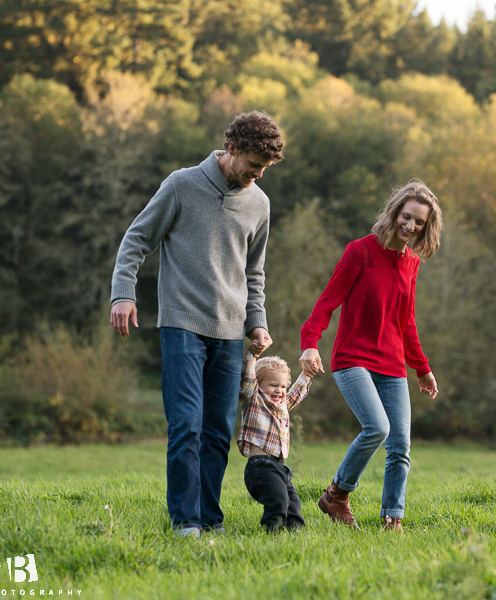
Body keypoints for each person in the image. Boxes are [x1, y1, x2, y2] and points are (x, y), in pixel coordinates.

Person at [109, 111, 284, 538]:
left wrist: (256, 323)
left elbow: (254, 272)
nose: (258, 174)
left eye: (265, 168)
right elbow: (137, 239)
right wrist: (123, 293)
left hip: (229, 329)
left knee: (217, 430)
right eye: (253, 164)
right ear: (232, 148)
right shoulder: (181, 184)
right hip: (182, 322)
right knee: (186, 423)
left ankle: (209, 518)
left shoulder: (259, 203)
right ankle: (185, 520)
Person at [299, 180, 443, 532]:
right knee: (377, 427)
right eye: (406, 217)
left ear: (426, 227)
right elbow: (327, 302)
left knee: (400, 447)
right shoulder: (359, 252)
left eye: (419, 223)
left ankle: (392, 519)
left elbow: (406, 322)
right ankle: (337, 494)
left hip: (393, 365)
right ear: (394, 212)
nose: (410, 226)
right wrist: (309, 342)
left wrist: (422, 369)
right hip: (353, 359)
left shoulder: (411, 264)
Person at [238, 351, 313, 532]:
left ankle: (295, 533)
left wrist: (307, 374)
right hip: (260, 467)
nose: (279, 390)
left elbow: (295, 394)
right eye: (273, 385)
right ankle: (271, 532)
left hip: (279, 466)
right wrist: (252, 358)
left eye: (282, 386)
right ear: (258, 384)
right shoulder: (254, 399)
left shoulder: (281, 406)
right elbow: (247, 383)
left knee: (293, 504)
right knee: (278, 502)